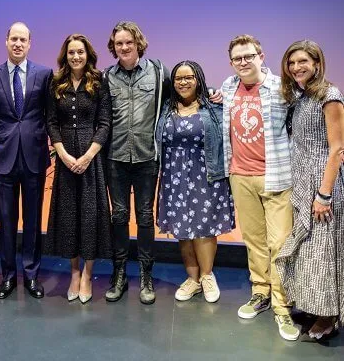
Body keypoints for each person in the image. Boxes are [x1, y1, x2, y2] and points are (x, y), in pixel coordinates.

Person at [222, 34, 299, 341]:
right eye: (237, 58)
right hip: (240, 176)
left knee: (279, 243)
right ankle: (260, 292)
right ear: (231, 63)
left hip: (276, 177)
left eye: (248, 56)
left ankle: (283, 306)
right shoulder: (228, 87)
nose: (243, 62)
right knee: (254, 241)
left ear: (261, 55)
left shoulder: (283, 87)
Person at [276, 40, 344, 340]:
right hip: (303, 186)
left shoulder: (329, 95)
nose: (296, 68)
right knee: (309, 253)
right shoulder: (302, 97)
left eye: (302, 61)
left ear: (317, 63)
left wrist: (324, 193)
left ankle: (328, 316)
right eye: (291, 63)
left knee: (323, 254)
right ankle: (316, 306)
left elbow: (338, 148)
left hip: (321, 186)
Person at [0, 22, 53, 299]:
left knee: (33, 221)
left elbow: (48, 113)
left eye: (23, 39)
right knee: (6, 219)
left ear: (30, 43)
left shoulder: (45, 74)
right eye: (14, 39)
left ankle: (32, 276)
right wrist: (8, 133)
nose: (18, 44)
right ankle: (8, 276)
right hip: (5, 158)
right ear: (6, 41)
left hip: (34, 156)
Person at [103, 21, 171, 305]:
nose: (124, 47)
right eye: (119, 43)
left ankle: (146, 275)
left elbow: (179, 97)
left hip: (146, 157)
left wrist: (213, 94)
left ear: (138, 43)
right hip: (115, 157)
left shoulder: (158, 72)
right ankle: (119, 273)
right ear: (113, 47)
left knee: (144, 217)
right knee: (118, 216)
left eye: (128, 42)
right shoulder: (106, 76)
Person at [155, 61, 234, 303]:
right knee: (182, 229)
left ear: (198, 79)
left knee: (205, 228)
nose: (183, 82)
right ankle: (192, 279)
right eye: (178, 78)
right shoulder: (165, 108)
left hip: (206, 174)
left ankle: (207, 276)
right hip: (173, 176)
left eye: (189, 77)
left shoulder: (213, 107)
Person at [44, 34, 111, 303]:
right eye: (71, 52)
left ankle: (87, 274)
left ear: (88, 54)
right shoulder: (56, 83)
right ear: (65, 55)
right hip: (65, 158)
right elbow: (51, 122)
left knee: (90, 217)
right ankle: (73, 272)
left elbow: (105, 123)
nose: (76, 57)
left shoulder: (99, 82)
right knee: (69, 217)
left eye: (80, 52)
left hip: (91, 158)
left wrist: (88, 156)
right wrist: (63, 153)